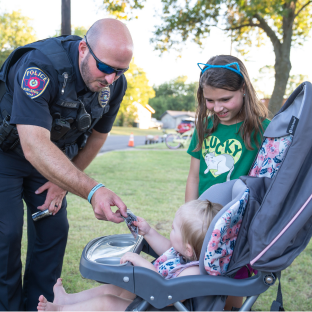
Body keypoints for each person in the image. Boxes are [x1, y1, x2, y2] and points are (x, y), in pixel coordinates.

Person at [0, 19, 133, 311]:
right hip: (7, 153)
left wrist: (63, 183)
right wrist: (92, 190)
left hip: (52, 159)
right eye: (106, 68)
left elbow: (97, 137)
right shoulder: (40, 66)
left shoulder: (114, 83)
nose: (112, 78)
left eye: (120, 71)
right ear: (84, 49)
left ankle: (40, 305)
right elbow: (33, 144)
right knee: (6, 234)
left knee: (53, 230)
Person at [185, 54, 270, 309]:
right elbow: (193, 175)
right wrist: (189, 213)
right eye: (209, 100)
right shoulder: (205, 126)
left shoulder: (263, 129)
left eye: (225, 99)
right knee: (200, 285)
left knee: (233, 289)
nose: (217, 107)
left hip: (238, 227)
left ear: (243, 89)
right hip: (203, 221)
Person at [37, 200, 223, 311]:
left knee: (107, 302)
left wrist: (139, 261)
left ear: (189, 249)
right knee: (113, 289)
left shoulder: (194, 273)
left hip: (158, 308)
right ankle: (68, 300)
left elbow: (168, 290)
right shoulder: (185, 255)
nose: (170, 231)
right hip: (148, 298)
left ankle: (60, 310)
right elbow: (167, 249)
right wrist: (148, 232)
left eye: (174, 229)